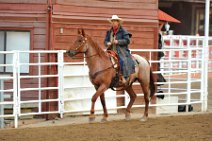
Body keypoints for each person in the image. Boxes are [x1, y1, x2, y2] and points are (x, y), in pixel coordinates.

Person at [104, 15, 135, 83]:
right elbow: (105, 41)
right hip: (110, 50)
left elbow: (127, 41)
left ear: (118, 22)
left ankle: (124, 77)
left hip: (121, 50)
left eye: (115, 21)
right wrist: (107, 43)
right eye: (112, 21)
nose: (113, 23)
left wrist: (118, 42)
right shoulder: (109, 32)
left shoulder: (123, 31)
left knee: (122, 61)